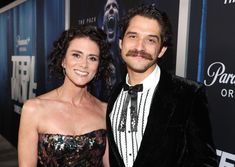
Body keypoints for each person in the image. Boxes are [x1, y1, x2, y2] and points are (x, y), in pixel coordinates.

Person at [106, 4, 218, 167]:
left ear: (162, 50)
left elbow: (205, 162)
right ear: (121, 43)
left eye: (150, 40)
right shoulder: (114, 94)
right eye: (133, 36)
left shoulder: (189, 94)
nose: (139, 47)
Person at [18, 25, 110, 167]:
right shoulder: (33, 109)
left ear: (98, 66)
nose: (84, 64)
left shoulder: (105, 110)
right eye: (76, 55)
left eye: (92, 58)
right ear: (63, 61)